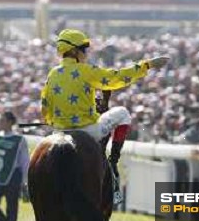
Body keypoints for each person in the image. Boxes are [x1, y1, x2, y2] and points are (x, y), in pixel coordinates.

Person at [40, 29, 169, 204]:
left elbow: (45, 107)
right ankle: (113, 161)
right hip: (88, 130)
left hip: (58, 132)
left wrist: (52, 121)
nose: (86, 53)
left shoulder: (52, 73)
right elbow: (116, 78)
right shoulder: (86, 70)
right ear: (75, 51)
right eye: (84, 49)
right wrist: (146, 65)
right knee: (122, 113)